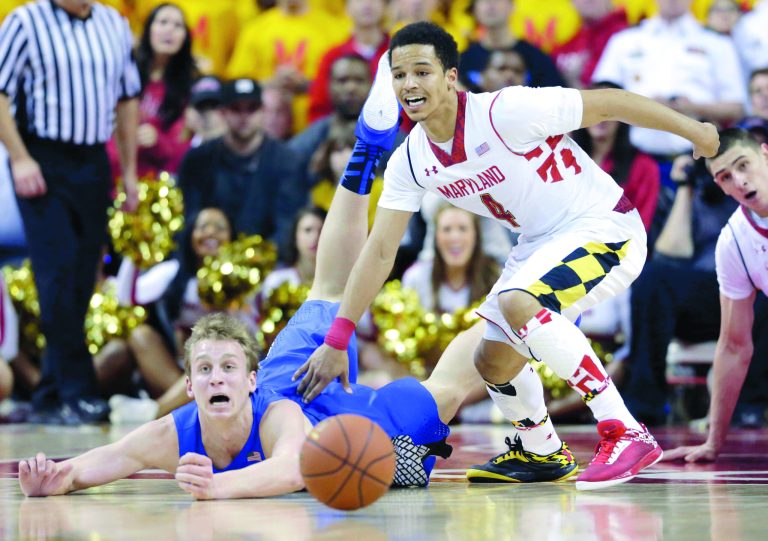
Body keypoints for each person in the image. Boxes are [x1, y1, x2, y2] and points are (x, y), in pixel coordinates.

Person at [17, 59, 480, 497]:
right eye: (205, 370)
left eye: (227, 368)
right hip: (343, 415)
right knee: (425, 380)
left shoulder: (277, 410)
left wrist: (219, 487)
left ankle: (369, 149)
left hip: (315, 389)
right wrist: (62, 477)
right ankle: (501, 304)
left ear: (250, 381)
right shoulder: (175, 432)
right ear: (190, 387)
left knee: (353, 309)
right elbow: (114, 457)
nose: (217, 378)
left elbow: (294, 465)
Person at [295, 21, 720, 490]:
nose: (409, 84)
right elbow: (378, 251)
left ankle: (624, 430)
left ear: (451, 76)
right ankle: (541, 451)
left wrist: (696, 132)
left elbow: (609, 103)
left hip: (604, 226)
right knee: (491, 359)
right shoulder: (411, 160)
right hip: (539, 244)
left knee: (519, 301)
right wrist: (338, 338)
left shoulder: (506, 110)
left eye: (422, 71)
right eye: (399, 75)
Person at [0, 0, 141, 424]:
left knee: (82, 274)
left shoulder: (114, 24)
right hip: (41, 155)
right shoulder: (24, 22)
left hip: (93, 160)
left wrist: (130, 169)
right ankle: (77, 391)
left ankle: (48, 391)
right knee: (56, 268)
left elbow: (128, 97)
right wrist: (20, 157)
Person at [663, 128, 768, 463]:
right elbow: (735, 346)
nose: (739, 181)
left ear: (765, 154)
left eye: (743, 165)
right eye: (725, 177)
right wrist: (713, 440)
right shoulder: (734, 241)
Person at [177, 78, 304, 251]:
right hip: (205, 258)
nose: (244, 117)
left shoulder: (287, 161)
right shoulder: (198, 159)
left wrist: (254, 262)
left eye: (252, 109)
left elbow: (287, 226)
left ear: (263, 112)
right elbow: (188, 220)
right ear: (223, 112)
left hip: (268, 267)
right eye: (236, 109)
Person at [107, 2, 197, 179]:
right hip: (111, 174)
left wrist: (158, 141)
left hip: (157, 186)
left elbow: (182, 153)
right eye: (163, 22)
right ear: (148, 29)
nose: (169, 30)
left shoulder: (189, 88)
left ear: (186, 37)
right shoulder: (123, 73)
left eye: (178, 25)